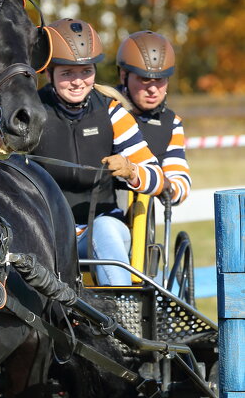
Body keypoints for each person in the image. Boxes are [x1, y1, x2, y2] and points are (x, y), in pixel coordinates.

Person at [33, 17, 165, 286]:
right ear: (49, 73)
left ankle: (122, 314)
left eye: (86, 72)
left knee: (103, 230)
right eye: (67, 73)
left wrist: (131, 170)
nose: (78, 82)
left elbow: (158, 179)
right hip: (44, 231)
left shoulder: (113, 112)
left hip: (102, 229)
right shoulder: (32, 112)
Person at [116, 30, 191, 205]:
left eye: (160, 80)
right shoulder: (106, 110)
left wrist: (168, 187)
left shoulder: (172, 123)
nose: (153, 89)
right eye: (144, 79)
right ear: (123, 75)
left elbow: (180, 181)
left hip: (142, 218)